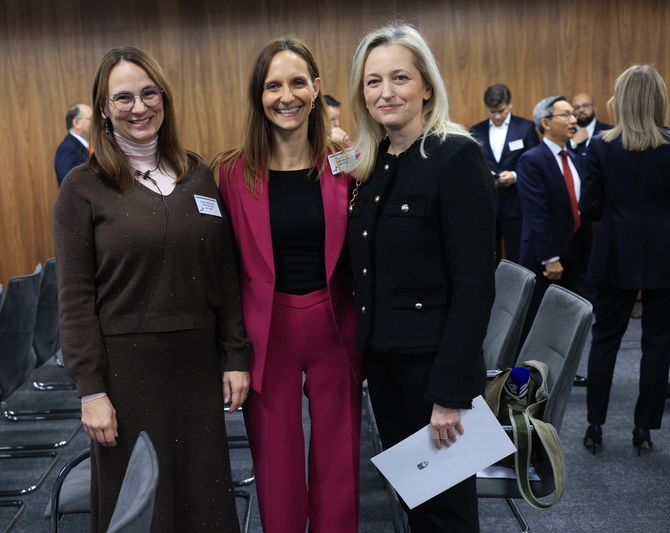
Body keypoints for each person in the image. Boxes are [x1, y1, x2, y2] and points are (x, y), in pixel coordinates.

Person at [53, 46, 250, 533]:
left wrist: (236, 354)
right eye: (123, 98)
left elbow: (225, 272)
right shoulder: (82, 187)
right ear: (104, 108)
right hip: (127, 373)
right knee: (143, 506)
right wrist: (90, 389)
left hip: (197, 366)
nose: (139, 107)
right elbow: (74, 298)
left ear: (164, 98)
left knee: (203, 499)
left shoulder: (197, 173)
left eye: (149, 93)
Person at [346, 22, 495, 532]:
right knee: (416, 506)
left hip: (435, 372)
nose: (385, 92)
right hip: (385, 365)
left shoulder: (456, 157)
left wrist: (450, 393)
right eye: (373, 81)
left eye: (400, 78)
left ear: (427, 86)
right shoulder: (373, 163)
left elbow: (475, 287)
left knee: (446, 515)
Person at [212, 38, 362, 533]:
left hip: (335, 324)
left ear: (316, 88)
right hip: (266, 331)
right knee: (276, 467)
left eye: (298, 83)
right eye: (273, 85)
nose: (286, 96)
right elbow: (223, 270)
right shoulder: (230, 173)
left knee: (340, 463)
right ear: (259, 95)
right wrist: (230, 352)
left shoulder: (348, 162)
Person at [580, 65, 670, 456]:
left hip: (615, 253)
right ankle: (643, 428)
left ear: (622, 99)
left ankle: (595, 425)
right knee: (658, 345)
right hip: (664, 254)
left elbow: (589, 207)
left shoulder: (601, 146)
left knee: (604, 341)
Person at [516, 96, 593, 358]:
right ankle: (528, 372)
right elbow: (536, 213)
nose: (574, 120)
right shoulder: (532, 160)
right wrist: (550, 258)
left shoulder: (575, 158)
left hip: (575, 251)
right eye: (566, 115)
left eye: (574, 114)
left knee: (569, 318)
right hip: (545, 256)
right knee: (537, 319)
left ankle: (561, 370)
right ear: (546, 122)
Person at [469, 84, 540, 264]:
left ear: (510, 104)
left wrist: (515, 176)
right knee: (487, 259)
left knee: (517, 258)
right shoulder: (475, 131)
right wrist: (484, 175)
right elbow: (471, 165)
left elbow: (535, 166)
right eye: (492, 112)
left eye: (501, 111)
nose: (497, 116)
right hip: (486, 205)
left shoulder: (526, 128)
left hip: (516, 205)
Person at [54, 103, 93, 186]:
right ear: (76, 123)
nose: (94, 122)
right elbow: (69, 182)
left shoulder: (83, 145)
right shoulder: (67, 148)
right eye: (91, 118)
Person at [568, 92, 612, 157]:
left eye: (585, 105)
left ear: (594, 107)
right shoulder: (565, 133)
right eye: (576, 107)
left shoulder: (609, 131)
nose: (581, 110)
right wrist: (572, 143)